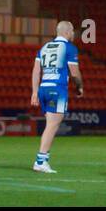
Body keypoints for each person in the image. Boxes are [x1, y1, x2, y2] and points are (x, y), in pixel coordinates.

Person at [30, 21, 83, 174]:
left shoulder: (44, 47)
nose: (73, 34)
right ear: (67, 32)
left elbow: (35, 71)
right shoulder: (69, 48)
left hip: (43, 88)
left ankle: (43, 160)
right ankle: (40, 161)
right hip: (57, 89)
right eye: (72, 31)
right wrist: (79, 86)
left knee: (50, 124)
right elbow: (74, 73)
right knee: (52, 125)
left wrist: (34, 91)